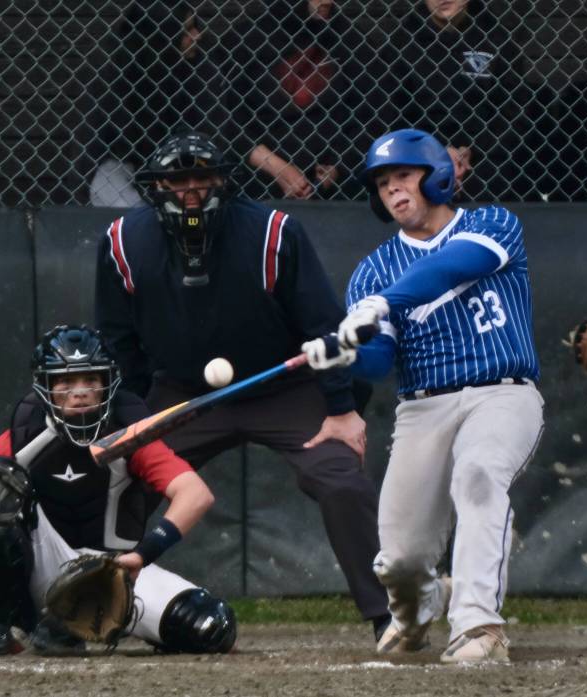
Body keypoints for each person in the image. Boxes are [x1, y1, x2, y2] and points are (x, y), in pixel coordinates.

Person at [93, 130, 392, 642]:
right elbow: (119, 345)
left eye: (202, 177)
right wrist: (134, 415)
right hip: (185, 395)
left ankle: (391, 616)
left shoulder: (274, 232)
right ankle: (93, 605)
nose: (190, 190)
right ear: (155, 185)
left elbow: (324, 325)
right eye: (177, 179)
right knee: (118, 478)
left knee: (341, 478)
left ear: (224, 181)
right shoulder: (123, 242)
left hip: (284, 385)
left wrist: (342, 409)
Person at [304, 129, 545, 663]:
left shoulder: (490, 223)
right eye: (384, 183)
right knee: (403, 561)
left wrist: (380, 306)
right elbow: (379, 362)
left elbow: (449, 268)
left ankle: (479, 626)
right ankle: (420, 608)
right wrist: (344, 351)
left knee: (479, 475)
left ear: (436, 175)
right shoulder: (372, 270)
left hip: (501, 394)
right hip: (422, 407)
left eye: (404, 176)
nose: (393, 190)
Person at [0, 325, 235, 657]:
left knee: (212, 628)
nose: (79, 392)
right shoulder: (22, 437)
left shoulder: (130, 434)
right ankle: (12, 628)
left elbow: (195, 494)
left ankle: (73, 625)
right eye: (66, 383)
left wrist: (141, 556)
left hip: (116, 574)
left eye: (90, 381)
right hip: (42, 565)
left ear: (107, 384)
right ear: (46, 388)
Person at [220, 0, 379, 200]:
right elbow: (224, 117)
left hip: (334, 185)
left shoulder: (351, 40)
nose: (328, 1)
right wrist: (276, 167)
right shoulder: (248, 38)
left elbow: (371, 116)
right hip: (259, 179)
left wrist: (338, 165)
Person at [384, 0, 534, 202]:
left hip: (485, 156)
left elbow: (513, 111)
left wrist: (473, 149)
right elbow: (391, 113)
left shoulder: (497, 38)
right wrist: (434, 150)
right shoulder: (401, 41)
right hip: (419, 155)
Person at [83, 2, 228, 207]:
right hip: (126, 164)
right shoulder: (117, 71)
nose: (196, 36)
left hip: (186, 164)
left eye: (195, 27)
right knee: (110, 185)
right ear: (162, 37)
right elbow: (101, 146)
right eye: (186, 31)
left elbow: (211, 129)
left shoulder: (201, 67)